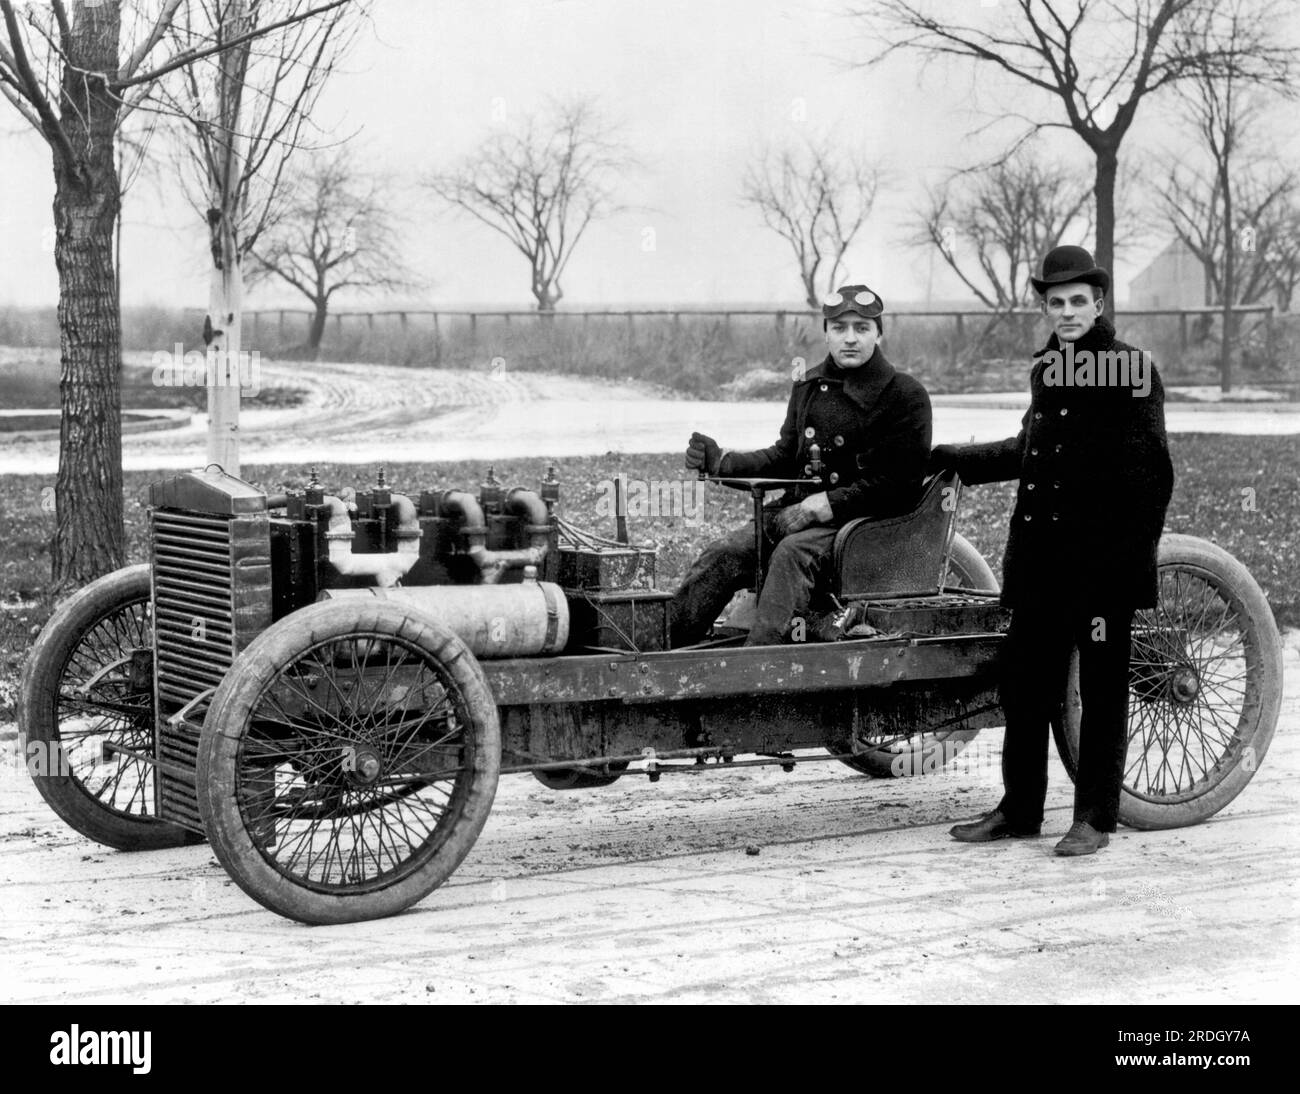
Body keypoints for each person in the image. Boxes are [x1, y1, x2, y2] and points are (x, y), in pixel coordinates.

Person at [932, 245, 1174, 857]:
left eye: (1077, 302)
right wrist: (953, 458)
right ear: (1044, 307)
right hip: (1041, 562)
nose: (1066, 312)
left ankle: (1095, 818)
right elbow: (1028, 450)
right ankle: (1020, 810)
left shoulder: (1130, 370)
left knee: (1100, 691)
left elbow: (1152, 478)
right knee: (1026, 686)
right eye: (1054, 303)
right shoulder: (1048, 369)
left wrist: (1126, 567)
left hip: (1099, 571)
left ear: (1098, 304)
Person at [669, 284, 932, 648]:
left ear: (879, 333)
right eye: (839, 329)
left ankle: (755, 675)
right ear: (826, 333)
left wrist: (825, 504)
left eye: (862, 328)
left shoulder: (905, 395)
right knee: (724, 553)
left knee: (790, 556)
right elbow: (783, 455)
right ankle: (664, 658)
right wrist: (722, 462)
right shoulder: (808, 385)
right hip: (794, 515)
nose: (850, 338)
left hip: (859, 526)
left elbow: (900, 484)